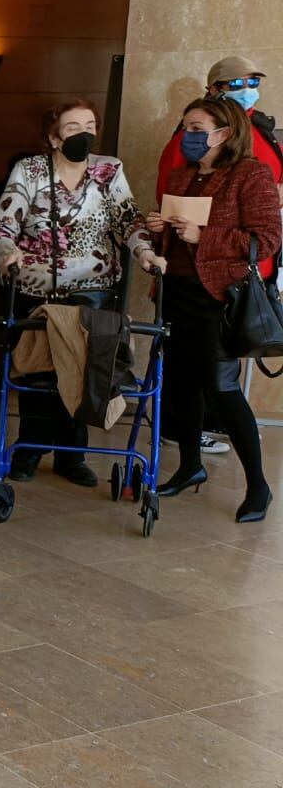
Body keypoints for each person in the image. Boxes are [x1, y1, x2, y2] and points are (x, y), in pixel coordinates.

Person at [0, 99, 163, 486]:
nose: (84, 133)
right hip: (37, 288)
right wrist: (7, 252)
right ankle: (30, 447)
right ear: (53, 137)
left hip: (95, 289)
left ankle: (73, 454)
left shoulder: (108, 169)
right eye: (72, 127)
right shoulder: (30, 170)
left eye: (90, 124)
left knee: (84, 368)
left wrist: (146, 251)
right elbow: (2, 225)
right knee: (39, 369)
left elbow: (128, 218)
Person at [146, 97, 281, 522]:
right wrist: (157, 230)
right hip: (176, 294)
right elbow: (170, 241)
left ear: (223, 134)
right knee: (181, 386)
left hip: (218, 300)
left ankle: (258, 485)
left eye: (196, 127)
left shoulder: (250, 174)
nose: (188, 135)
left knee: (222, 391)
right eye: (186, 126)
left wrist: (204, 234)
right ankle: (190, 466)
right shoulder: (182, 176)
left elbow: (266, 239)